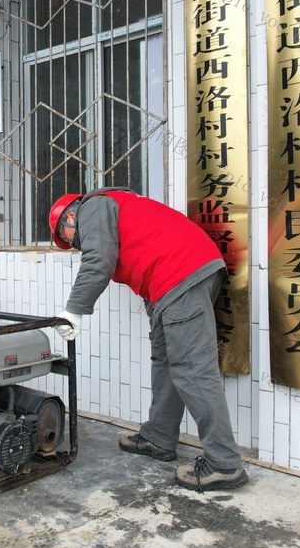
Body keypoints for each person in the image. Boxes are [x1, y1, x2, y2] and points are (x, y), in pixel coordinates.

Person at [48, 188, 248, 492]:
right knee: (166, 363)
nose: (74, 244)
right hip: (176, 277)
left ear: (70, 215)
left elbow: (99, 259)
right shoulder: (115, 207)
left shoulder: (93, 206)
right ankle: (159, 437)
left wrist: (74, 310)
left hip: (180, 273)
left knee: (193, 370)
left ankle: (224, 464)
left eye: (68, 237)